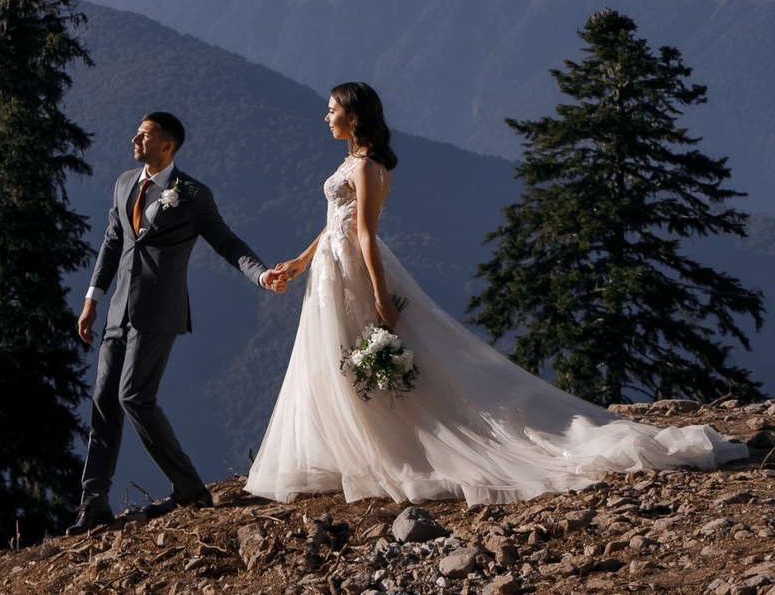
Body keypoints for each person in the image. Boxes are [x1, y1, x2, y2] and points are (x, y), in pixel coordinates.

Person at [248, 81, 740, 504]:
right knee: (336, 355)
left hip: (355, 269)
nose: (326, 116)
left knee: (356, 351)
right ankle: (349, 448)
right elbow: (336, 222)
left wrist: (380, 294)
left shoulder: (367, 167)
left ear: (354, 117)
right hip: (331, 266)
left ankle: (384, 447)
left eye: (333, 109)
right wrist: (302, 259)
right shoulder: (351, 162)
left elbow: (365, 234)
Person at [71, 111, 282, 534]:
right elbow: (113, 242)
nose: (135, 138)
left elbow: (225, 241)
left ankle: (189, 489)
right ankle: (93, 504)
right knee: (104, 404)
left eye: (144, 134)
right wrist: (92, 298)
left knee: (134, 397)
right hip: (117, 312)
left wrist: (260, 273)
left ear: (167, 145)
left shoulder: (192, 194)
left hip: (158, 314)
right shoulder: (124, 183)